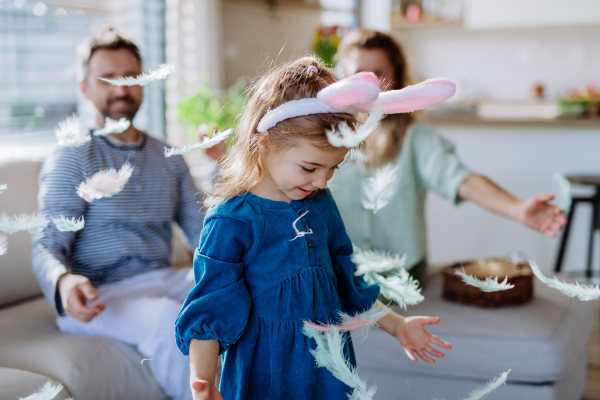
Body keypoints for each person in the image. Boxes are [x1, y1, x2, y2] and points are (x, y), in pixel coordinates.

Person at [175, 57, 452, 400]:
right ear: (265, 141)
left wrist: (397, 326)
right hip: (265, 372)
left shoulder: (319, 204)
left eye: (332, 168)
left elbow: (349, 280)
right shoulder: (231, 220)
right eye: (309, 168)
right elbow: (210, 308)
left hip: (329, 367)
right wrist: (203, 383)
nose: (322, 180)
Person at [31, 27, 202, 400]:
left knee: (244, 290)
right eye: (108, 79)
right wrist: (63, 282)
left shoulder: (169, 157)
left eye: (131, 78)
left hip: (161, 278)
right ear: (85, 88)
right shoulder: (73, 155)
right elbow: (46, 244)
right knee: (167, 319)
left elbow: (204, 233)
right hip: (100, 298)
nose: (121, 89)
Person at [332, 29, 567, 283]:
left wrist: (518, 208)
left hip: (401, 274)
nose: (368, 86)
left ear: (396, 79)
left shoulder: (416, 137)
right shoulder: (325, 138)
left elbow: (461, 180)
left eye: (379, 74)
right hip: (340, 273)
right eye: (357, 75)